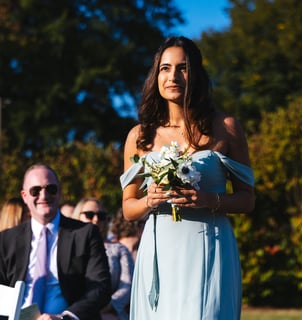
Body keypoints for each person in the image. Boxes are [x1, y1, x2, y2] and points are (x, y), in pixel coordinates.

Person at [120, 36, 255, 319]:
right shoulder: (140, 136)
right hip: (160, 253)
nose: (173, 76)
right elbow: (128, 208)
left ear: (196, 74)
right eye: (165, 68)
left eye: (182, 68)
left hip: (210, 246)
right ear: (156, 76)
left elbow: (247, 200)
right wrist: (148, 200)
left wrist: (209, 199)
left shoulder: (226, 127)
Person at [0, 163, 111, 320]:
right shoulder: (6, 240)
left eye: (50, 189)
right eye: (35, 190)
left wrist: (65, 317)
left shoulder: (85, 234)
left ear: (59, 192)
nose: (44, 196)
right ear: (24, 196)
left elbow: (100, 286)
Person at [73, 198, 134, 320]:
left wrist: (109, 305)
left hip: (110, 314)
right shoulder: (68, 248)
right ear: (77, 217)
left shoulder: (118, 249)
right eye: (89, 215)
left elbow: (127, 286)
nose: (96, 220)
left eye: (101, 216)